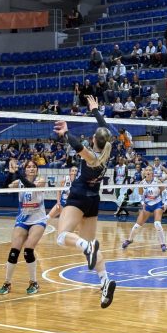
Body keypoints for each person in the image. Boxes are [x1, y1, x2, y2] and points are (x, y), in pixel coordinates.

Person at [53, 95, 116, 308]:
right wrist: (95, 111)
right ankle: (105, 282)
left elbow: (77, 145)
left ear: (94, 140)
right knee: (90, 248)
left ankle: (87, 246)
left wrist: (65, 132)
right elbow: (105, 128)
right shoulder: (108, 151)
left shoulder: (91, 157)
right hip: (93, 200)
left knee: (62, 237)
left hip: (79, 196)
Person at [0, 160, 47, 295]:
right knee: (14, 252)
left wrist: (18, 174)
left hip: (38, 220)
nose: (31, 169)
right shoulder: (18, 182)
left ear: (37, 170)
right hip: (22, 220)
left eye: (34, 167)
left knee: (28, 251)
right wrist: (10, 173)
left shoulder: (41, 180)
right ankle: (7, 283)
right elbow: (4, 189)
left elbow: (31, 186)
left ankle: (33, 282)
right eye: (28, 167)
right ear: (25, 170)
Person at [122, 167, 167, 252]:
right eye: (147, 170)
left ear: (152, 172)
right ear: (144, 172)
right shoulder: (142, 183)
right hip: (147, 204)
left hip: (157, 203)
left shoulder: (157, 181)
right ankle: (129, 240)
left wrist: (165, 203)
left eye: (150, 170)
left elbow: (164, 192)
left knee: (157, 224)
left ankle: (163, 244)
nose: (148, 172)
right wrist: (143, 203)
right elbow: (140, 195)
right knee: (137, 226)